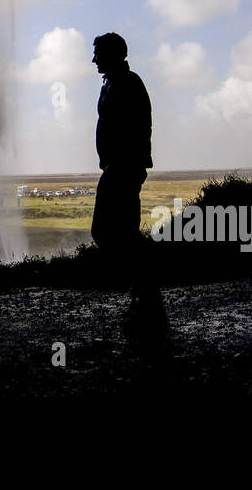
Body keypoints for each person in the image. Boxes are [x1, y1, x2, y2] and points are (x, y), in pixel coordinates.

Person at [89, 32, 167, 336]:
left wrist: (123, 161)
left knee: (114, 233)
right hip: (119, 166)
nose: (93, 59)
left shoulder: (128, 82)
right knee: (116, 233)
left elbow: (138, 126)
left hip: (123, 167)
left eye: (98, 53)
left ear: (113, 54)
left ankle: (145, 299)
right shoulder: (113, 82)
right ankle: (145, 296)